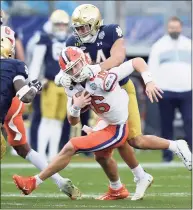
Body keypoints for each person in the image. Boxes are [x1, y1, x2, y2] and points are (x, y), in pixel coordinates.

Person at [13, 46, 191, 198]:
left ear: (85, 60)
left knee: (73, 145)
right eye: (70, 70)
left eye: (77, 66)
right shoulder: (72, 87)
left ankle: (34, 182)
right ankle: (117, 189)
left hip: (117, 125)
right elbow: (73, 121)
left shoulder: (104, 76)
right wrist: (76, 106)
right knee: (102, 156)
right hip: (105, 122)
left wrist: (149, 81)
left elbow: (136, 61)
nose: (75, 72)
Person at [0, 26, 81, 200]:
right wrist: (33, 87)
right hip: (14, 103)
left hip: (11, 103)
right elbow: (25, 95)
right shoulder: (15, 65)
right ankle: (59, 181)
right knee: (23, 148)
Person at [28, 9, 71, 160]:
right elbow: (36, 62)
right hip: (50, 84)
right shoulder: (45, 39)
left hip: (65, 85)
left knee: (58, 121)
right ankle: (40, 153)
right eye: (58, 24)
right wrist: (33, 82)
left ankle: (53, 155)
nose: (61, 27)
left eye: (63, 24)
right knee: (47, 120)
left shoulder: (70, 40)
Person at [148, 16, 192, 162]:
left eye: (176, 27)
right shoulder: (159, 46)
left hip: (187, 90)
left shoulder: (189, 44)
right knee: (166, 125)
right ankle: (167, 157)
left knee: (189, 122)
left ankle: (190, 154)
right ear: (168, 28)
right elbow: (151, 69)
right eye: (171, 27)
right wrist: (153, 85)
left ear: (181, 28)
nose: (174, 30)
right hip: (165, 91)